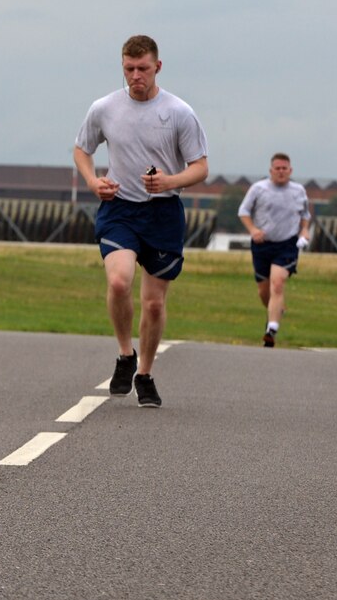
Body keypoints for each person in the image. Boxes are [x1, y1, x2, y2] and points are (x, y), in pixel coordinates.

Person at [73, 34, 210, 408]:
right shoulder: (104, 108)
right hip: (120, 208)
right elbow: (82, 149)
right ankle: (124, 353)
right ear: (123, 67)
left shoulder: (179, 112)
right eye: (130, 69)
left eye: (143, 69)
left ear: (157, 67)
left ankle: (145, 374)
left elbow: (201, 167)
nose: (136, 76)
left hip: (163, 212)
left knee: (152, 304)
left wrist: (169, 180)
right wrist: (92, 181)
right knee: (119, 282)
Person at [238, 153, 312, 348]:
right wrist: (253, 230)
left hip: (287, 244)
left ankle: (271, 329)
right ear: (271, 171)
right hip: (262, 244)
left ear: (290, 170)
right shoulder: (258, 189)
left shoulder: (298, 190)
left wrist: (304, 230)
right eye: (277, 168)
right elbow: (243, 212)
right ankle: (276, 310)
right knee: (264, 292)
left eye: (284, 168)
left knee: (277, 283)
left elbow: (305, 215)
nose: (281, 172)